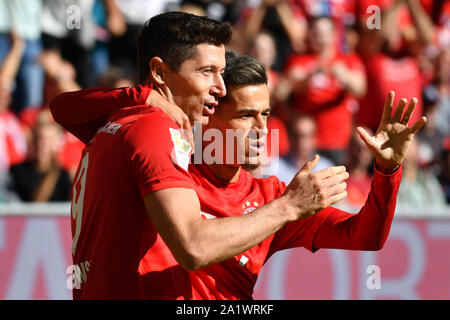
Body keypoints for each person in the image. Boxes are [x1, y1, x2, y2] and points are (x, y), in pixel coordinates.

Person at [52, 48, 426, 299]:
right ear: (209, 113)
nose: (262, 130)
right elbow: (64, 108)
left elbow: (366, 236)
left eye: (265, 114)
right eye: (247, 116)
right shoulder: (165, 173)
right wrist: (141, 96)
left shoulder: (274, 195)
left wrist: (387, 170)